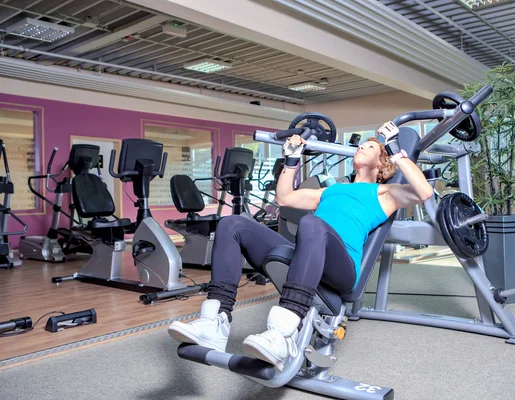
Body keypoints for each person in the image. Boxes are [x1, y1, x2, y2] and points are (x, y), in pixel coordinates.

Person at [168, 121, 433, 371]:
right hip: (308, 254)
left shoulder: (384, 194)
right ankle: (216, 321)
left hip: (342, 269)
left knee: (311, 224)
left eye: (371, 145)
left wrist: (396, 149)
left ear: (382, 162)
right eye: (362, 144)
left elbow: (424, 192)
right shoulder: (330, 191)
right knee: (232, 224)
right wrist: (292, 159)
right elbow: (284, 198)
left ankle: (282, 333)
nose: (362, 145)